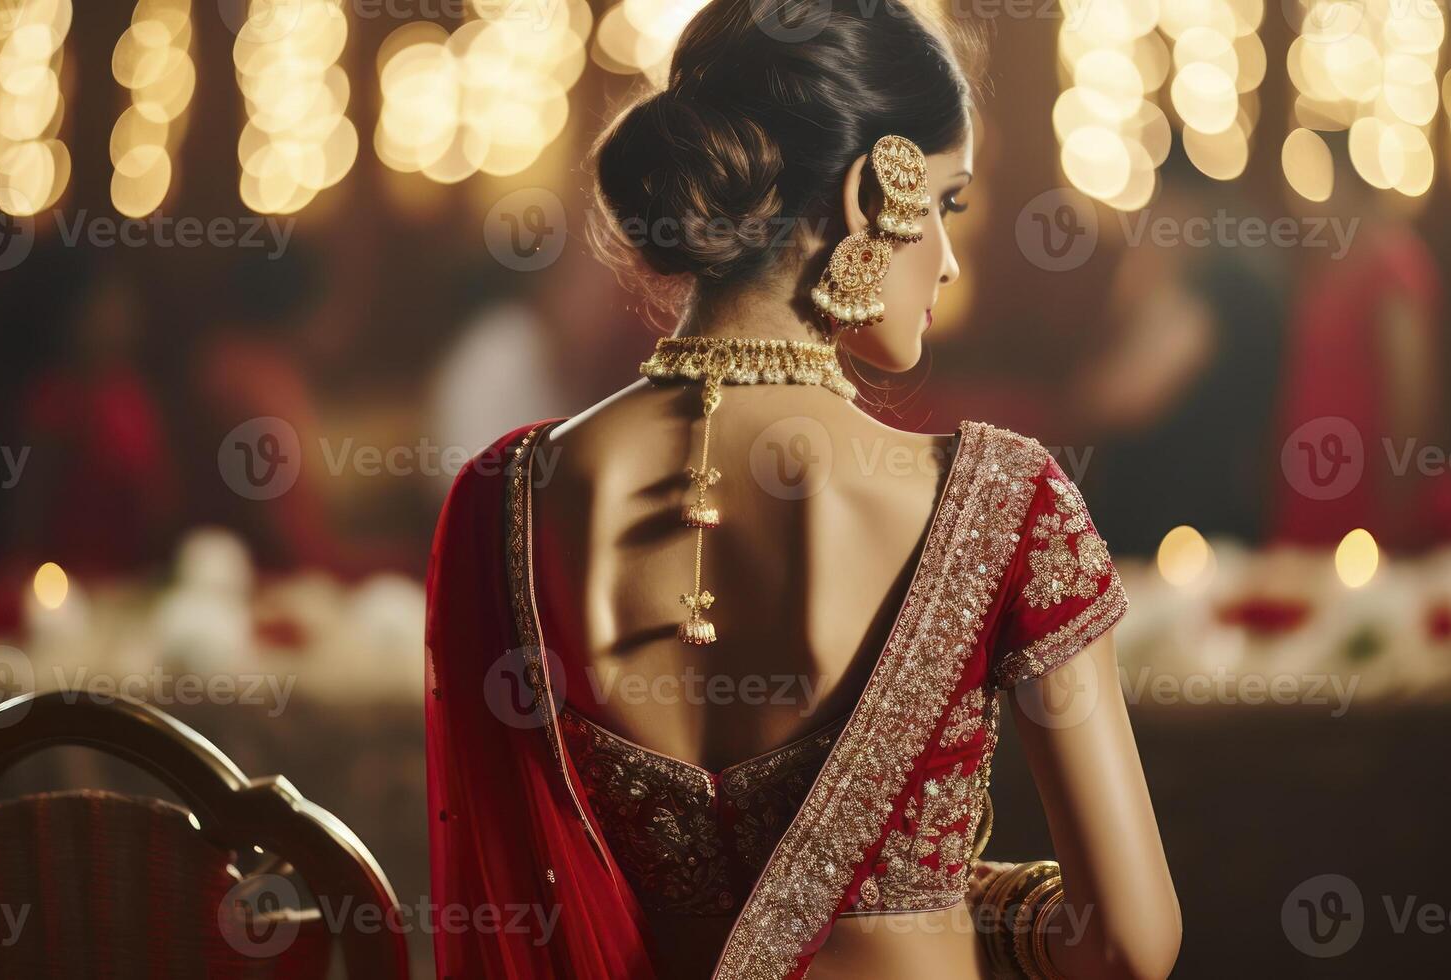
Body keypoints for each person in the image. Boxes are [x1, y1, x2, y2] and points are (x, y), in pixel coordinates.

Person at [423, 0, 1179, 976]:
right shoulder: (1003, 499)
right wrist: (968, 893)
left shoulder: (510, 495)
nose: (948, 262)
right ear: (874, 195)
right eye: (946, 205)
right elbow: (1129, 942)